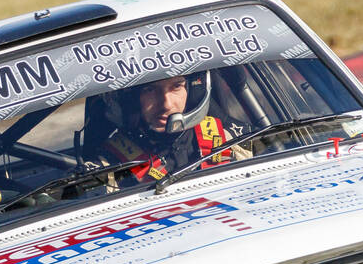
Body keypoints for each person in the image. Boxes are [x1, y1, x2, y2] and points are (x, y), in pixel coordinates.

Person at [89, 72, 249, 183]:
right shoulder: (109, 166)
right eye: (150, 90)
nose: (166, 104)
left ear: (193, 90)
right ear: (130, 100)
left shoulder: (232, 138)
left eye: (176, 86)